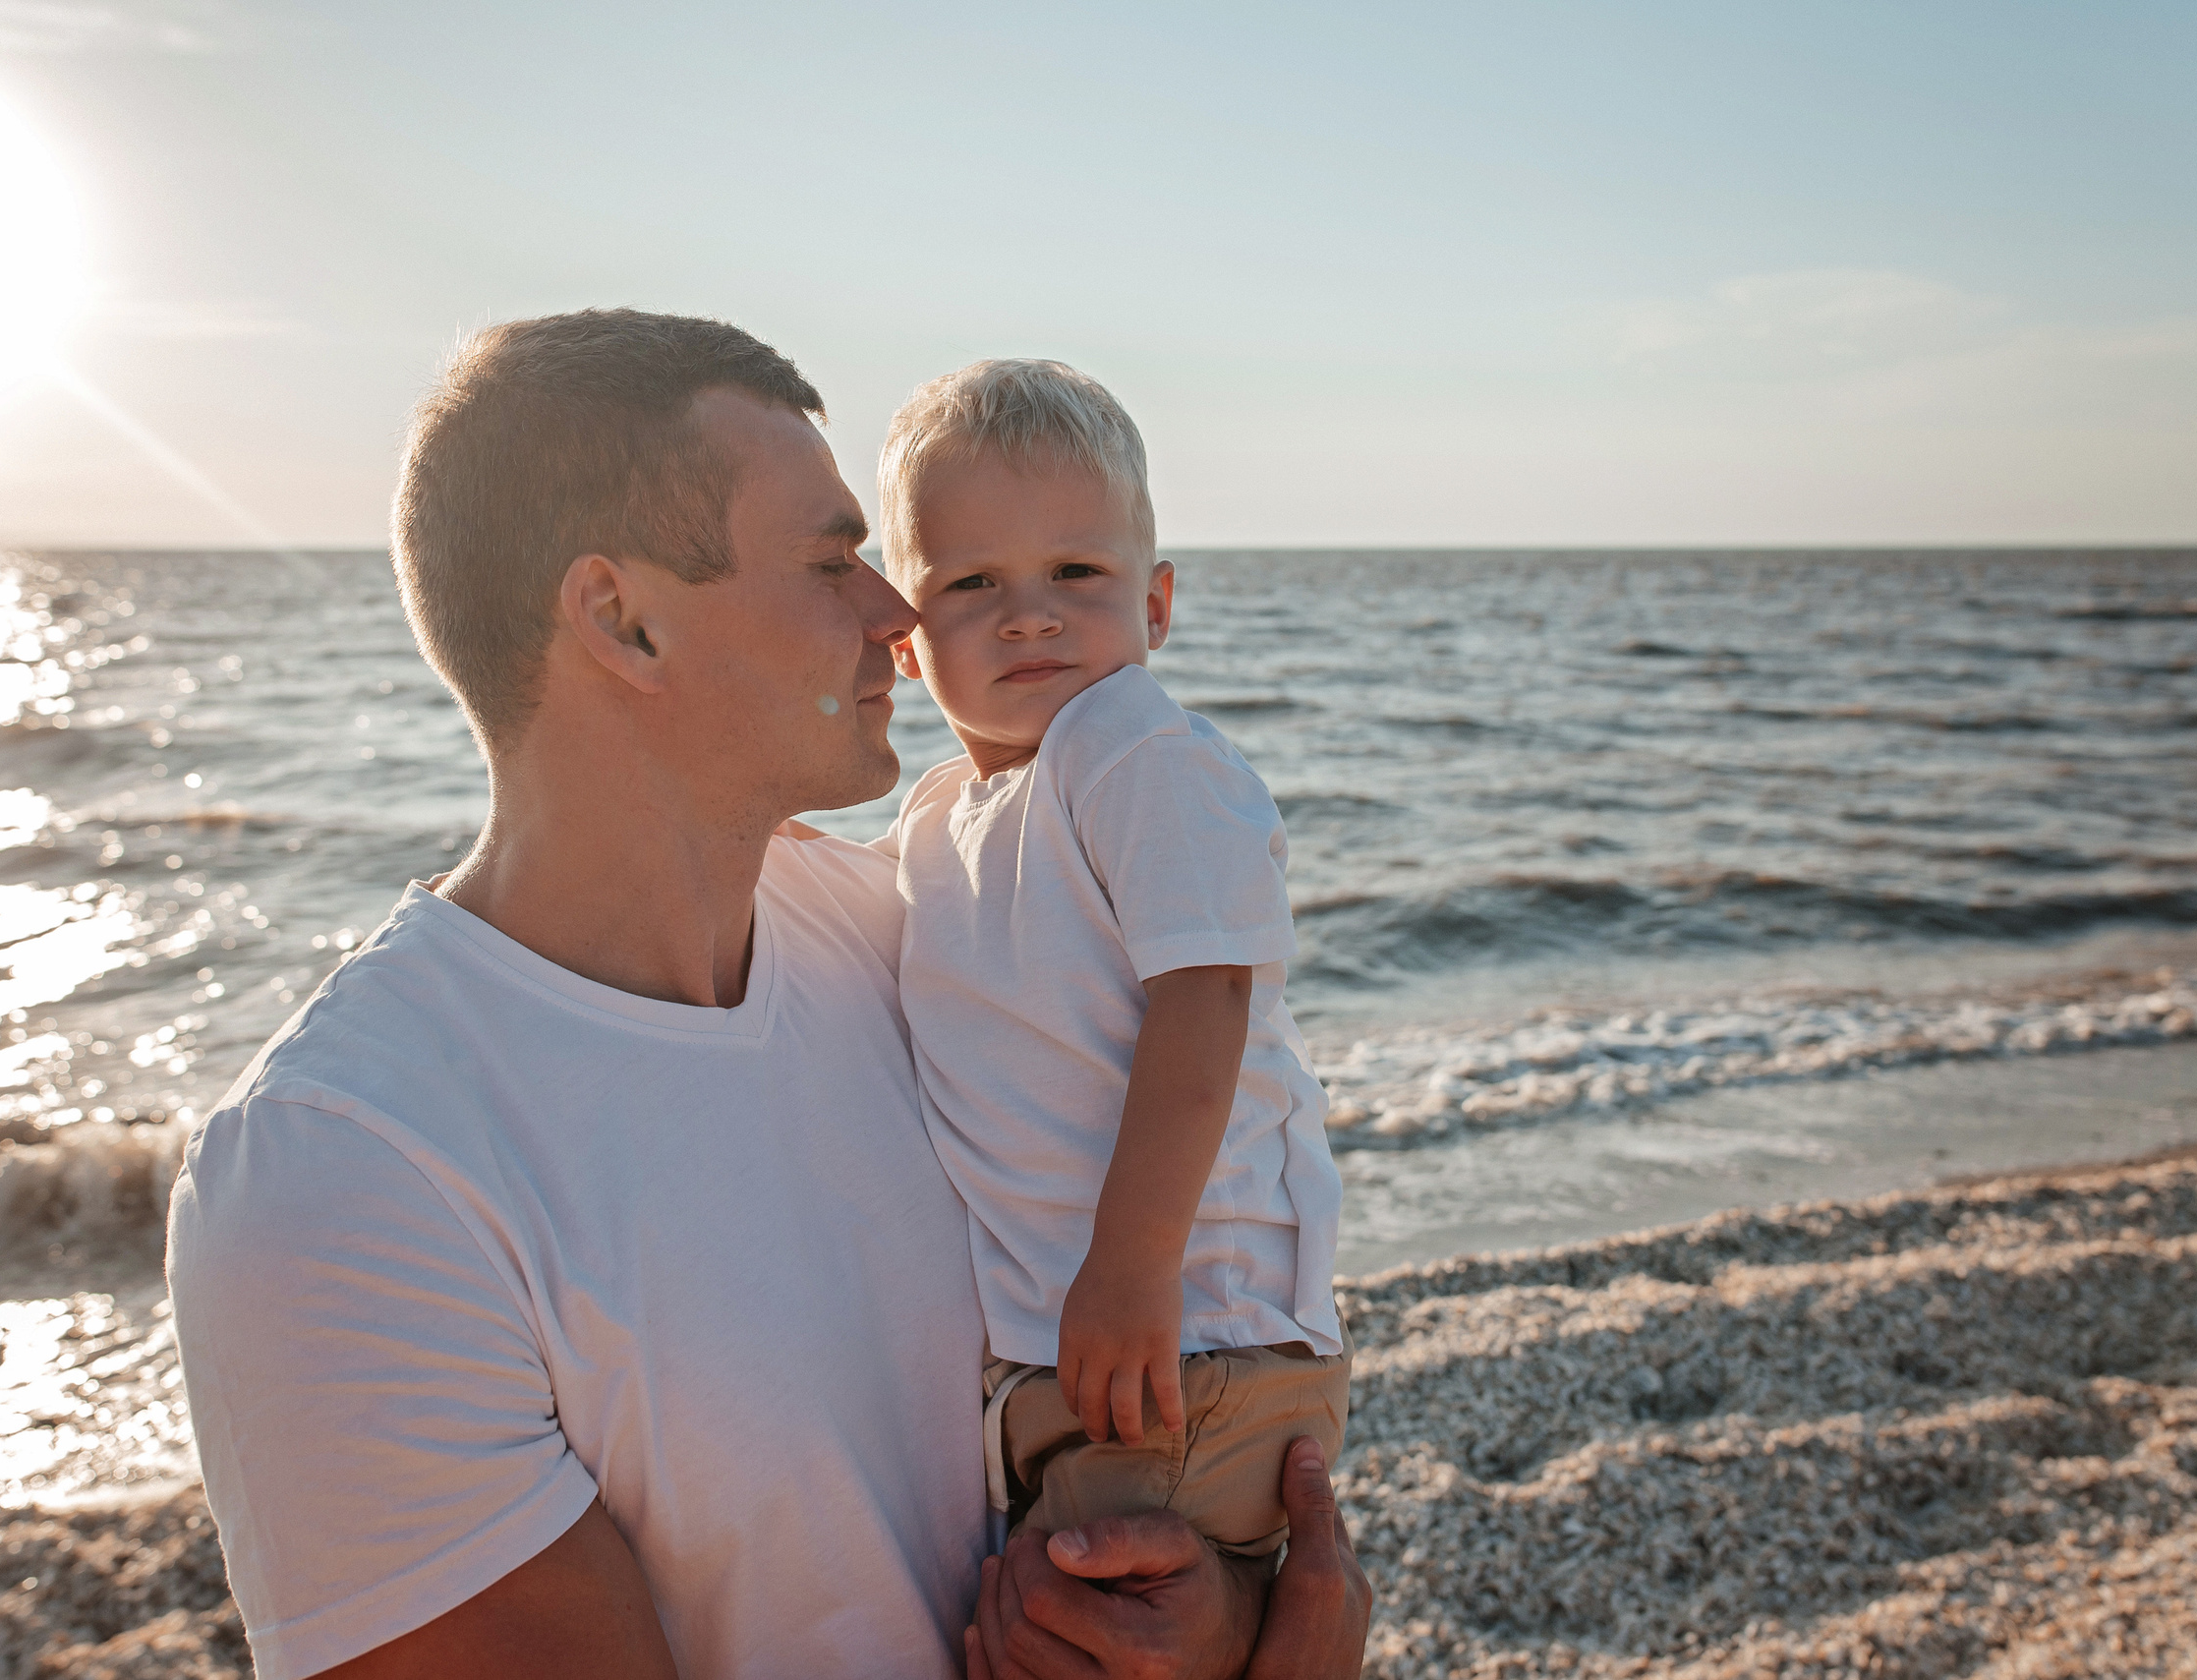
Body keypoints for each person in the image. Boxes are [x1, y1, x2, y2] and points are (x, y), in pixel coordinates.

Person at [165, 309, 1369, 1680]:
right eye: (833, 560)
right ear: (625, 622)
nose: (896, 612)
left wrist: (1226, 1621)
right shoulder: (343, 1172)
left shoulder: (916, 939)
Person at [860, 359, 1346, 1560]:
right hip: (1070, 1347)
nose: (1029, 614)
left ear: (1156, 604)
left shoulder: (1132, 750)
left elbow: (1206, 999)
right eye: (972, 581)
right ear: (907, 642)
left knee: (1117, 1618)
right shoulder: (939, 815)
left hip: (1193, 1326)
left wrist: (1132, 1266)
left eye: (1075, 572)